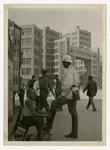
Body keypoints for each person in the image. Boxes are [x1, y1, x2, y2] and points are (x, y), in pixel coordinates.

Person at [46, 55, 80, 139]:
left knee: (54, 103)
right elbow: (77, 81)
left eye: (63, 62)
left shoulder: (68, 71)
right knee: (73, 113)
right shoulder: (74, 70)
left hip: (68, 94)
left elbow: (67, 84)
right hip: (73, 94)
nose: (62, 64)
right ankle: (74, 133)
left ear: (66, 62)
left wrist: (62, 95)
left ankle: (48, 127)